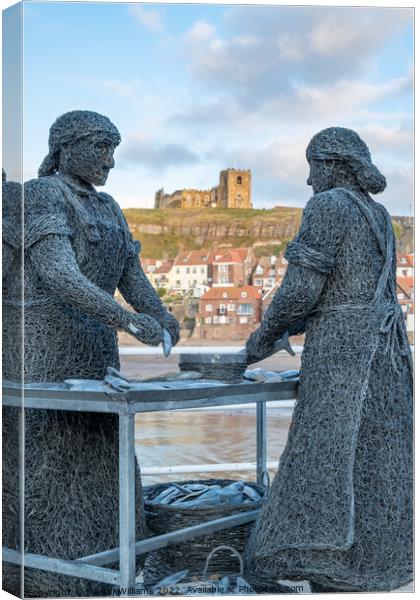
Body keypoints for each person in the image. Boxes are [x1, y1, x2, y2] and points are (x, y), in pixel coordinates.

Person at [2, 110, 179, 597]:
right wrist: (125, 319)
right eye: (101, 147)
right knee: (47, 460)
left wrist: (160, 314)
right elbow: (57, 272)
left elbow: (131, 276)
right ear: (66, 146)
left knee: (103, 457)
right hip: (42, 350)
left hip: (95, 350)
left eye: (114, 149)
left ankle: (109, 568)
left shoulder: (111, 206)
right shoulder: (39, 194)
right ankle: (44, 576)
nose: (111, 161)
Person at [243, 127, 413, 592]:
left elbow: (301, 289)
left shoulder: (329, 206)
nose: (307, 180)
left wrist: (263, 336)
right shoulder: (378, 215)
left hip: (343, 351)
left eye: (313, 166)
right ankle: (377, 565)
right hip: (385, 352)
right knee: (372, 455)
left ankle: (309, 560)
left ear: (335, 165)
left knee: (323, 451)